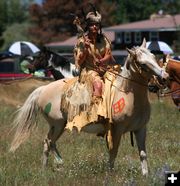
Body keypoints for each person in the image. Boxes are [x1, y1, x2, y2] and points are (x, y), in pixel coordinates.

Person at [74, 9, 115, 98]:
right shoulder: (82, 41)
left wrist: (101, 61)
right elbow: (79, 62)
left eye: (96, 25)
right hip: (89, 71)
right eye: (92, 25)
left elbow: (108, 54)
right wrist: (85, 49)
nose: (94, 27)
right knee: (98, 86)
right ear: (88, 27)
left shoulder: (104, 39)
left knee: (116, 83)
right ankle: (95, 110)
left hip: (105, 69)